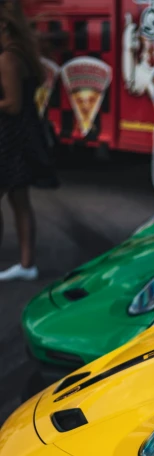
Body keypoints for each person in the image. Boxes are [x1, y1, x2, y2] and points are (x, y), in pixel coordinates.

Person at [0, 0, 55, 281]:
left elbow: (12, 104)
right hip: (22, 136)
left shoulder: (8, 58)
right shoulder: (21, 53)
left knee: (16, 200)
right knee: (20, 201)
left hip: (9, 139)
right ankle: (26, 264)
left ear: (3, 25)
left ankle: (25, 264)